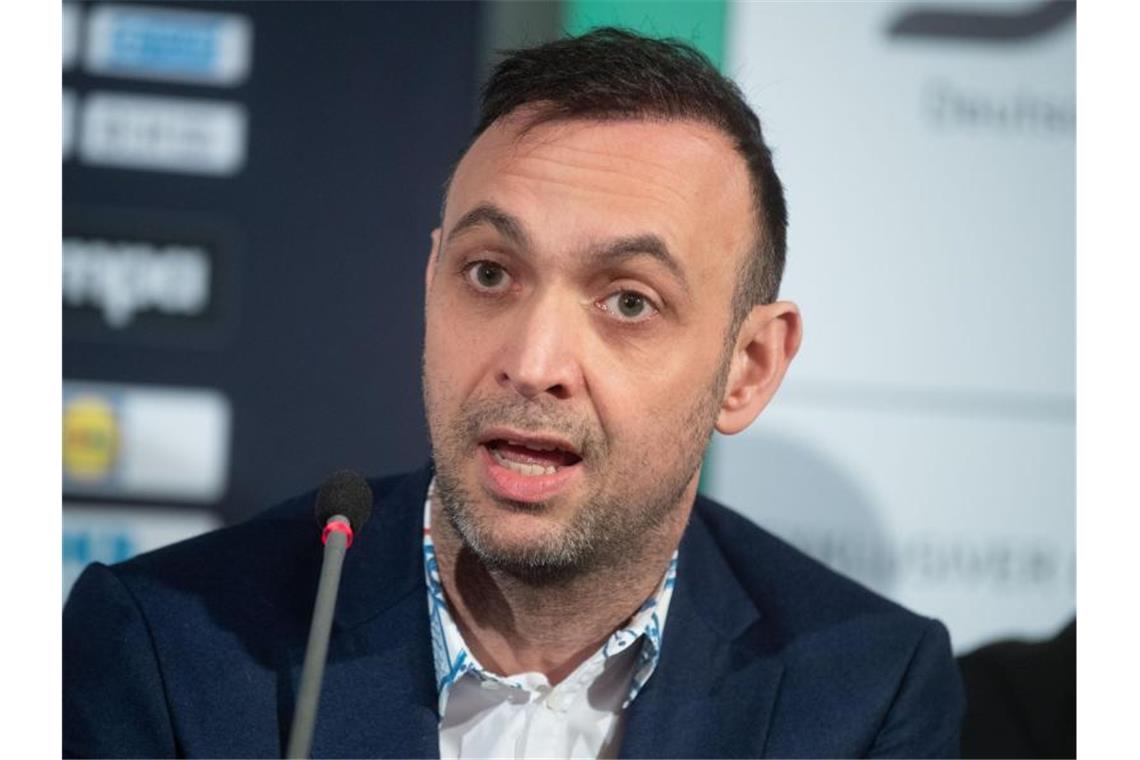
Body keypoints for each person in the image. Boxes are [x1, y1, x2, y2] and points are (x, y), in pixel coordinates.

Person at [63, 28, 964, 758]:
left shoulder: (862, 692)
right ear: (430, 283)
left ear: (750, 368)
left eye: (628, 301)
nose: (533, 362)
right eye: (490, 274)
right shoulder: (165, 650)